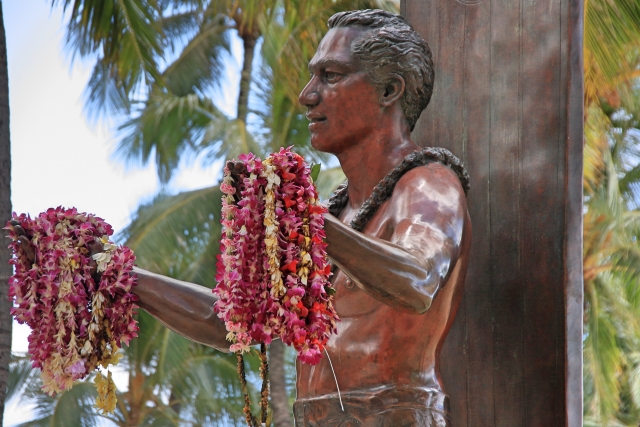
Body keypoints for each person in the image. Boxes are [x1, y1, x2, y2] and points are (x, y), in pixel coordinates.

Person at [13, 9, 471, 427]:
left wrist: (301, 218)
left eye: (331, 76)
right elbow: (230, 321)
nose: (307, 96)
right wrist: (119, 277)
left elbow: (415, 281)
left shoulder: (427, 185)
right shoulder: (334, 213)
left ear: (390, 91)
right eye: (313, 77)